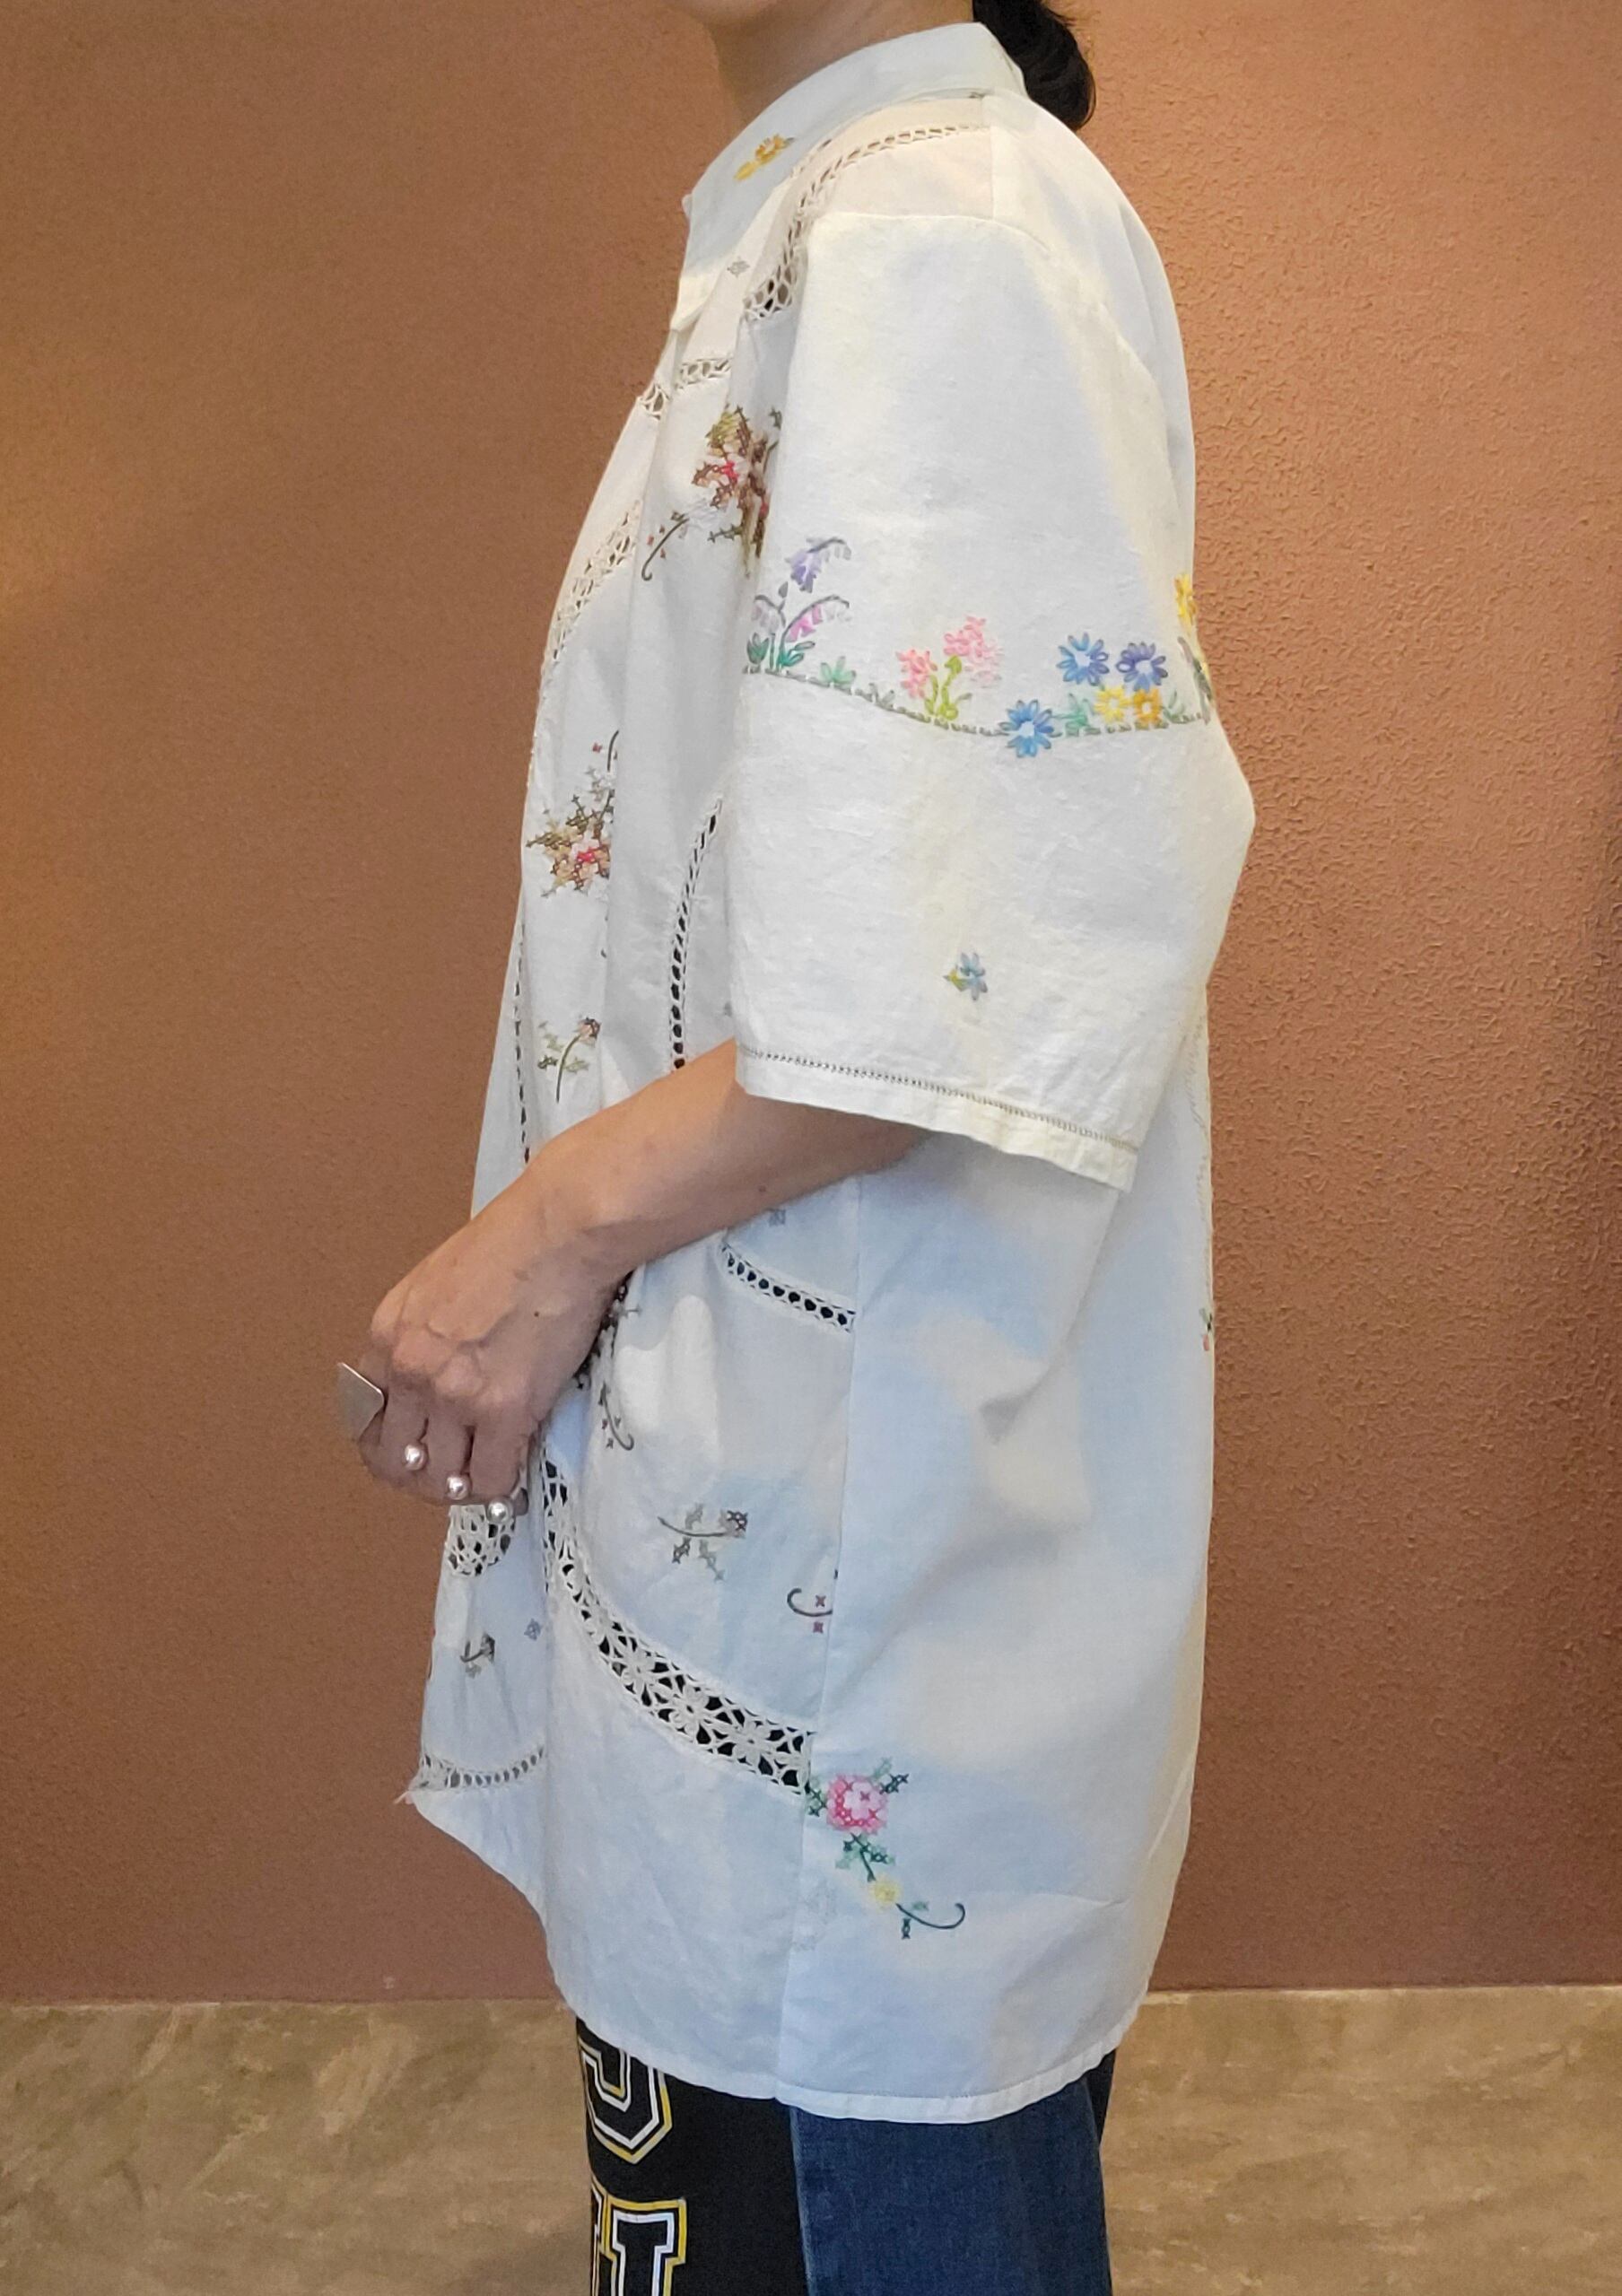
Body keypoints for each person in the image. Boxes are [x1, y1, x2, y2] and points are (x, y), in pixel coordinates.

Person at [349, 3, 1257, 2287]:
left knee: (830, 2188)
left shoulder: (945, 221)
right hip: (759, 1550)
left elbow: (966, 971)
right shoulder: (836, 224)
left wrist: (545, 1233)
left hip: (842, 1610)